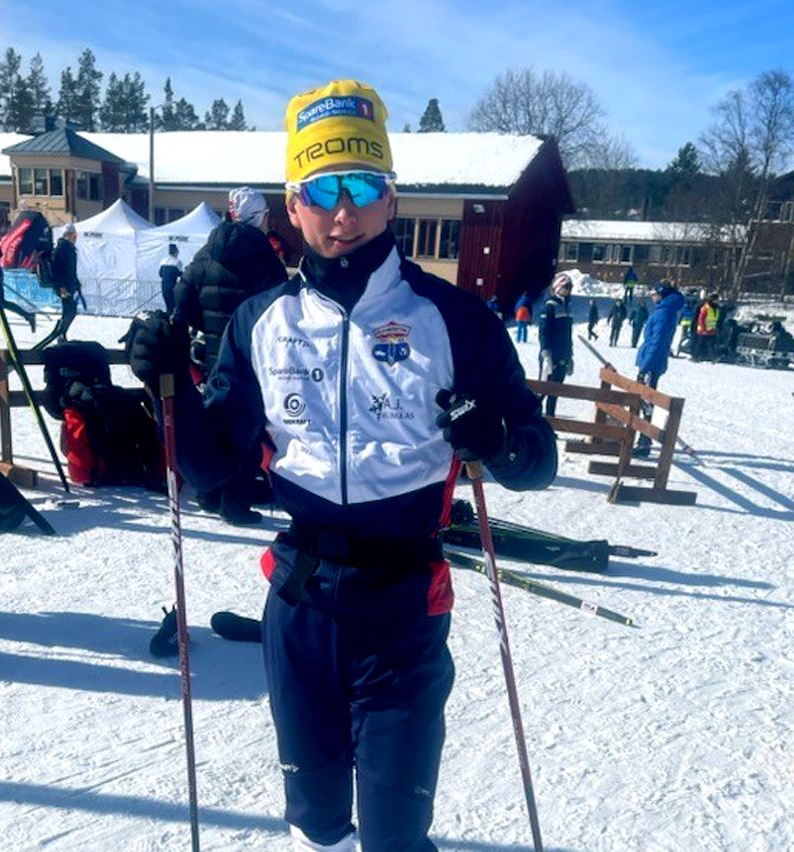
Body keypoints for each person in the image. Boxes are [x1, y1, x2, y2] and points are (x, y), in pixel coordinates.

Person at [127, 78, 557, 852]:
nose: (342, 212)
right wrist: (170, 391)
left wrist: (494, 438)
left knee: (393, 835)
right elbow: (212, 467)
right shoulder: (261, 322)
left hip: (403, 603)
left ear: (391, 198)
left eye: (360, 187)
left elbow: (537, 461)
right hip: (301, 604)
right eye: (320, 192)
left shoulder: (453, 320)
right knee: (316, 822)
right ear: (292, 207)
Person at [172, 186, 287, 526]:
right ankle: (234, 502)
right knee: (248, 429)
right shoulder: (263, 256)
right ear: (258, 217)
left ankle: (209, 493)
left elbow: (182, 299)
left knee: (215, 422)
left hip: (213, 356)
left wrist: (208, 331)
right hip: (251, 357)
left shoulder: (206, 253)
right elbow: (280, 308)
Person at [633, 282, 685, 457]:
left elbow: (657, 342)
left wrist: (645, 367)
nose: (652, 296)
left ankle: (644, 441)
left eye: (654, 293)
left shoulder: (663, 313)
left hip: (652, 363)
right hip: (654, 361)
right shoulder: (665, 311)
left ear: (662, 295)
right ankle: (644, 439)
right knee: (645, 401)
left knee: (646, 403)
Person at [538, 273, 574, 417]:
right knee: (543, 391)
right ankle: (529, 419)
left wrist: (570, 357)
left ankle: (550, 421)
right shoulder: (550, 305)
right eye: (566, 286)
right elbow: (544, 332)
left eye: (570, 287)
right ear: (558, 287)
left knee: (555, 392)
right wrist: (546, 355)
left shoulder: (566, 307)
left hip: (562, 356)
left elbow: (568, 335)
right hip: (551, 355)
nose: (569, 290)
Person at [50, 223, 81, 344]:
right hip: (64, 287)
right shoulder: (63, 249)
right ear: (68, 235)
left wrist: (76, 283)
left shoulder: (70, 249)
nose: (75, 237)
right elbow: (58, 270)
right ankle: (60, 333)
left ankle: (61, 334)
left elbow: (71, 270)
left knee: (68, 311)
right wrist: (61, 287)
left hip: (69, 285)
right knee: (70, 311)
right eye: (74, 235)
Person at [693, 292, 720, 362]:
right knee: (700, 344)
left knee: (711, 344)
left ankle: (712, 358)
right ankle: (695, 357)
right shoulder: (706, 307)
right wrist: (703, 329)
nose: (718, 301)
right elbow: (701, 319)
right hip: (703, 330)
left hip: (712, 329)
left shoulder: (716, 308)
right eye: (716, 299)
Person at [158, 243, 183, 313]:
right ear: (176, 252)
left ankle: (168, 316)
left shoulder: (163, 261)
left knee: (167, 304)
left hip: (164, 285)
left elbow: (160, 274)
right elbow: (180, 274)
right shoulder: (177, 262)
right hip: (172, 286)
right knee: (174, 305)